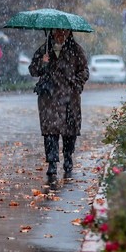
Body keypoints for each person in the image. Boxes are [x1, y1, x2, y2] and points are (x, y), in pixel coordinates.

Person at [28, 29, 89, 179]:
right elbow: (33, 71)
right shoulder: (44, 49)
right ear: (52, 32)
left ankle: (68, 158)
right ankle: (52, 163)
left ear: (69, 33)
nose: (61, 34)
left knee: (70, 130)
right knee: (50, 131)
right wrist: (43, 63)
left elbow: (84, 71)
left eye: (64, 31)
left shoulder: (76, 50)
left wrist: (76, 84)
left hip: (70, 97)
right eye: (57, 31)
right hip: (49, 97)